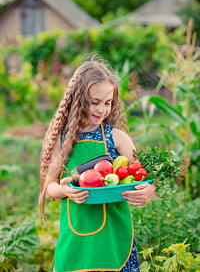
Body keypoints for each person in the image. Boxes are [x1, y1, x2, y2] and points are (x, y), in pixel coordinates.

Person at [39, 55, 156, 272]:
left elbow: (145, 174)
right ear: (76, 99)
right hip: (77, 237)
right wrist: (64, 190)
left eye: (108, 103)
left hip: (114, 236)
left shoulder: (118, 138)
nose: (102, 109)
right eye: (95, 102)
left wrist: (150, 189)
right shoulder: (61, 141)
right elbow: (50, 188)